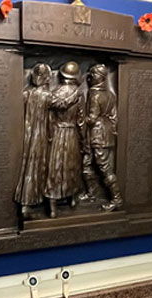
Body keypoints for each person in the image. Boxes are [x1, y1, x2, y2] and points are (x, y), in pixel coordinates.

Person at [44, 61, 86, 217]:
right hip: (72, 134)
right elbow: (81, 120)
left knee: (55, 167)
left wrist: (49, 136)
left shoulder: (54, 93)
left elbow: (49, 119)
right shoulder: (79, 94)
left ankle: (52, 206)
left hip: (57, 134)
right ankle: (72, 197)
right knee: (72, 165)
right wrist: (83, 139)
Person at [81, 64, 123, 211]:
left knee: (104, 167)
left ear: (102, 77)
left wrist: (79, 118)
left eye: (94, 74)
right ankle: (91, 193)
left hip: (97, 134)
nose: (91, 76)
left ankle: (116, 199)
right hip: (106, 133)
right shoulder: (111, 95)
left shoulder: (95, 94)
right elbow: (114, 117)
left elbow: (92, 118)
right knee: (87, 163)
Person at [17, 63, 52, 219]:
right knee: (38, 166)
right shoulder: (47, 96)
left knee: (31, 166)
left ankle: (29, 201)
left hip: (28, 137)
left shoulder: (26, 94)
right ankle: (30, 201)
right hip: (42, 136)